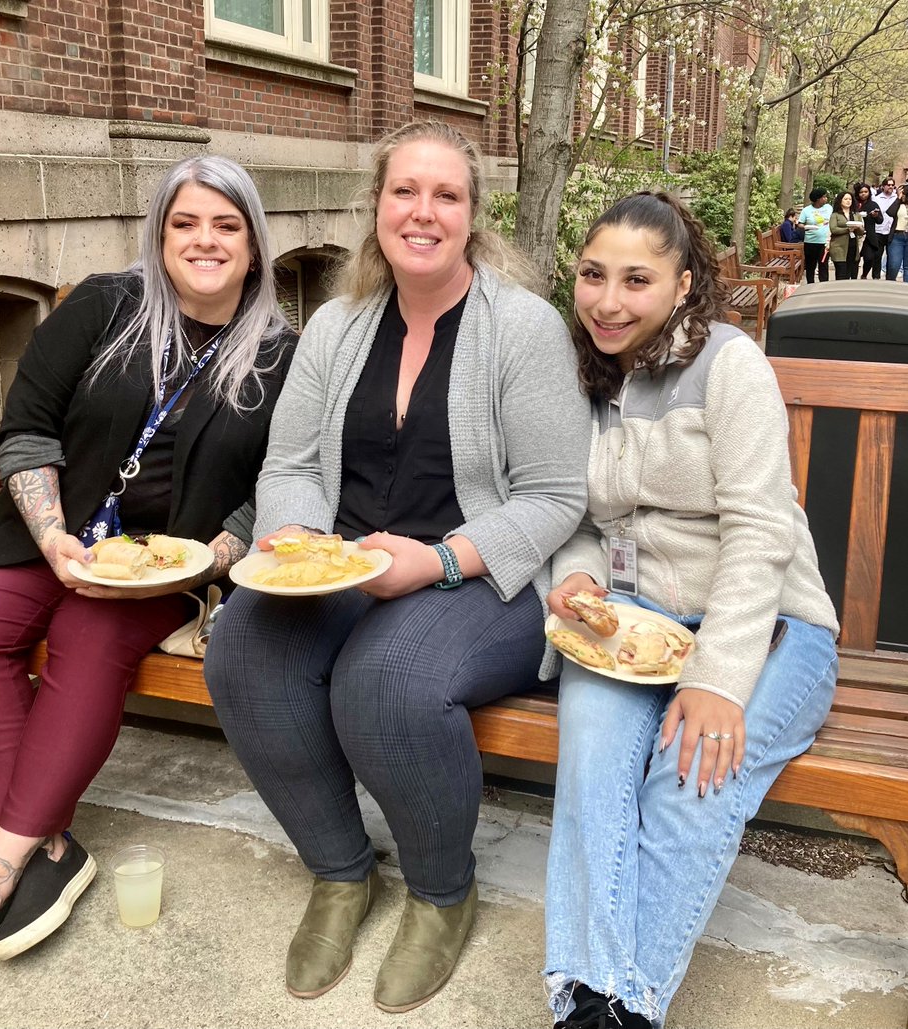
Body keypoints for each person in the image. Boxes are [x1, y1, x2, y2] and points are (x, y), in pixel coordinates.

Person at [204, 120, 591, 1013]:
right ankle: (341, 871)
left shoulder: (522, 329)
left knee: (387, 681)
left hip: (484, 576)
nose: (423, 211)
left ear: (472, 215)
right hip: (347, 565)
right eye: (404, 192)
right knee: (243, 652)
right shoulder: (337, 326)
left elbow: (551, 495)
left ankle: (441, 891)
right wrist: (299, 545)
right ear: (377, 205)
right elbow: (291, 466)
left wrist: (439, 559)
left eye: (445, 195)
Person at [0, 156, 297, 988]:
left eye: (226, 225)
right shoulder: (104, 308)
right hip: (53, 538)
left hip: (165, 564)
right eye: (186, 223)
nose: (205, 240)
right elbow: (26, 430)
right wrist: (50, 536)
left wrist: (217, 554)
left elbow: (283, 480)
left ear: (254, 246)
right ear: (159, 233)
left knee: (87, 630)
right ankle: (53, 846)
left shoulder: (284, 354)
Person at [542, 192, 839, 1029]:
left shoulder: (730, 365)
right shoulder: (588, 375)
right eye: (593, 275)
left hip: (770, 627)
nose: (608, 299)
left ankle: (611, 1008)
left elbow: (761, 530)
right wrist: (579, 579)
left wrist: (718, 680)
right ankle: (595, 1007)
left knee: (691, 775)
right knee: (594, 769)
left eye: (637, 279)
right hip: (632, 628)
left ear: (681, 286)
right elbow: (587, 521)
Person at [864, 177, 897, 279]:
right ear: (883, 186)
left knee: (891, 256)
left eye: (892, 185)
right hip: (879, 230)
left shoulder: (896, 198)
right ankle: (876, 277)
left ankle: (889, 277)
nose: (890, 187)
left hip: (892, 231)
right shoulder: (876, 199)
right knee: (877, 256)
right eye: (888, 185)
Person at [798, 187, 832, 283]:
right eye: (824, 197)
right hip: (810, 242)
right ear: (818, 199)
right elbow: (800, 223)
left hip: (824, 243)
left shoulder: (829, 208)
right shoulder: (806, 210)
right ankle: (810, 285)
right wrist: (805, 227)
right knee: (810, 266)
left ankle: (823, 286)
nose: (826, 199)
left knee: (823, 265)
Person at [828, 189, 862, 280]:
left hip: (853, 247)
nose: (848, 201)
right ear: (840, 200)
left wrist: (858, 228)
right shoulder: (835, 215)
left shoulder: (856, 214)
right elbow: (833, 229)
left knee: (852, 273)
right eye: (845, 199)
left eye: (850, 199)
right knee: (841, 273)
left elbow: (861, 232)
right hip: (839, 248)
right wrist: (848, 229)